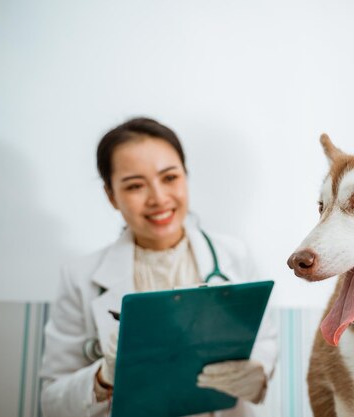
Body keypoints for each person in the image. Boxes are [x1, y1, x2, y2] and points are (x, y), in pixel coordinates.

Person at [40, 118, 277, 417]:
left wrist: (258, 373)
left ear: (185, 177)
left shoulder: (234, 256)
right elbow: (51, 403)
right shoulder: (79, 278)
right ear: (111, 196)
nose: (159, 198)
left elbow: (264, 344)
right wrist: (103, 376)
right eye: (135, 185)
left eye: (169, 178)